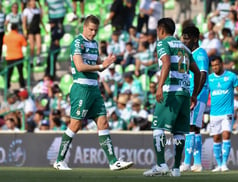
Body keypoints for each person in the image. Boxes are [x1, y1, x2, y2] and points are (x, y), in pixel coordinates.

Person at [53, 15, 133, 170]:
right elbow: (80, 66)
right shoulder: (77, 42)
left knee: (103, 122)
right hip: (81, 88)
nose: (93, 33)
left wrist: (106, 62)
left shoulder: (94, 43)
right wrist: (100, 67)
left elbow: (97, 61)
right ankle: (59, 160)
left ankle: (113, 162)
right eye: (91, 30)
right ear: (84, 27)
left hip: (94, 88)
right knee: (75, 125)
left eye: (96, 30)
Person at [143, 18, 201, 177]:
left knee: (157, 127)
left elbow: (167, 64)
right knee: (179, 132)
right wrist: (194, 94)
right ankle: (176, 169)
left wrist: (160, 86)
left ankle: (161, 164)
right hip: (184, 93)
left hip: (170, 91)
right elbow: (197, 72)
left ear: (161, 30)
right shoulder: (184, 47)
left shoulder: (163, 43)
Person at [180, 26, 209, 172]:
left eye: (186, 38)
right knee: (195, 128)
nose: (183, 41)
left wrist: (195, 95)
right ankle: (197, 163)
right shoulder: (189, 54)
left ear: (195, 39)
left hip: (198, 94)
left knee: (190, 126)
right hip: (193, 94)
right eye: (182, 37)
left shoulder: (200, 53)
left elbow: (202, 75)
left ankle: (186, 162)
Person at [208, 56, 238, 172]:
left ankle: (224, 164)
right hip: (214, 113)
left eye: (217, 65)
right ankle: (218, 164)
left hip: (227, 112)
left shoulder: (231, 76)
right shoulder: (210, 79)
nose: (215, 67)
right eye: (213, 66)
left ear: (222, 64)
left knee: (226, 135)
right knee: (216, 138)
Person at [3, 23, 27, 89]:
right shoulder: (19, 36)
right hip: (18, 56)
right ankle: (22, 86)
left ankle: (7, 86)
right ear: (16, 28)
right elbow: (25, 45)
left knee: (9, 73)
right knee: (20, 72)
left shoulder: (6, 36)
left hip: (9, 57)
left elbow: (4, 44)